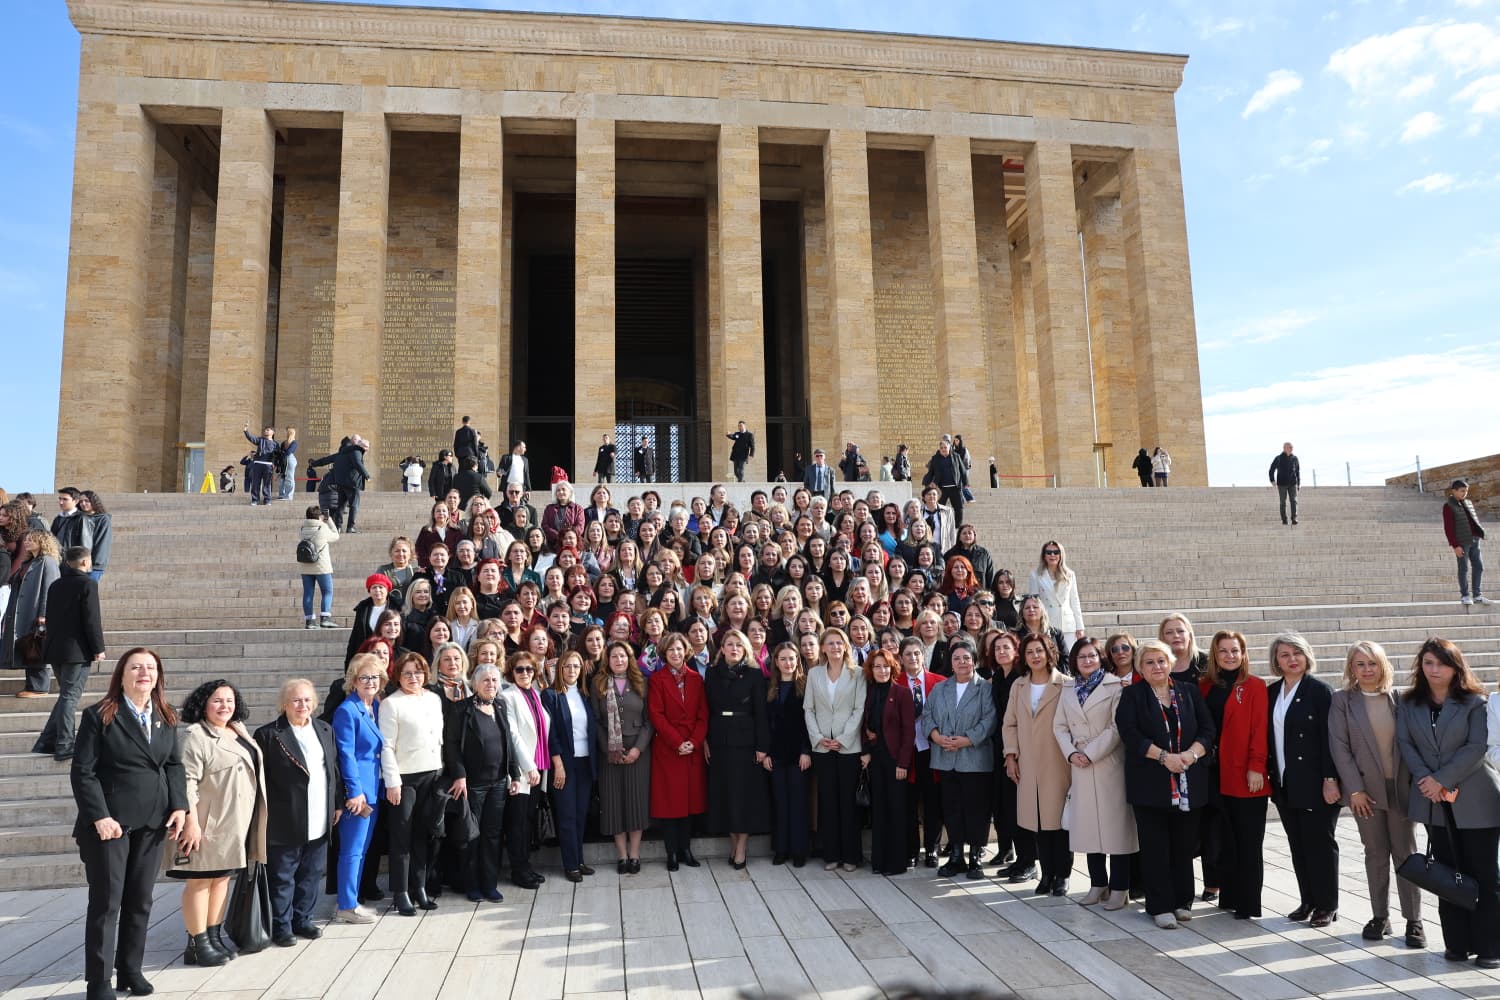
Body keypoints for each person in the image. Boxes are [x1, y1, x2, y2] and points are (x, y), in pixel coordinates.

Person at [71, 648, 188, 1000]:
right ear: (121, 675)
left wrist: (179, 806)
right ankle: (99, 981)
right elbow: (83, 772)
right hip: (110, 825)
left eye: (151, 667)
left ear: (158, 676)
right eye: (136, 667)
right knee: (107, 903)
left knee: (140, 900)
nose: (144, 673)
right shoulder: (100, 715)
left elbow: (173, 765)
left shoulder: (166, 715)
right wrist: (99, 816)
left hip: (153, 822)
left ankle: (130, 971)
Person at [1396, 638, 1500, 968]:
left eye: (1442, 663)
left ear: (1456, 667)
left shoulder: (1474, 702)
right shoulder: (1408, 703)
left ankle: (1490, 947)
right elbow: (1406, 744)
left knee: (1483, 875)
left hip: (1476, 799)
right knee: (1446, 873)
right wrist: (1428, 780)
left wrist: (1442, 779)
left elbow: (1477, 746)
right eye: (1428, 662)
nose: (1434, 669)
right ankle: (1457, 944)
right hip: (1432, 800)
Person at [1329, 641, 1424, 948]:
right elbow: (1340, 748)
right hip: (1365, 792)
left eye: (1372, 663)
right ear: (1351, 668)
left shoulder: (1401, 699)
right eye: (1360, 664)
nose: (1367, 669)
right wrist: (1354, 790)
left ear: (1383, 665)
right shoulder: (1342, 701)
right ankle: (1380, 916)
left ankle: (1414, 920)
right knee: (1375, 853)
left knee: (1406, 854)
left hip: (1400, 789)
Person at [1115, 639, 1215, 929]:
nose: (1156, 666)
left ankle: (1183, 901)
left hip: (1188, 780)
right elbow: (1130, 734)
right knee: (1155, 847)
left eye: (1161, 660)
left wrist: (1190, 755)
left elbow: (1208, 729)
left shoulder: (1188, 691)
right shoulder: (1132, 695)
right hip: (1150, 784)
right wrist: (1163, 757)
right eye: (1149, 662)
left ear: (1170, 663)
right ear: (1140, 668)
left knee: (1183, 846)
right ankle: (1159, 906)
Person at [169, 679, 267, 966]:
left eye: (229, 700)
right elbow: (186, 781)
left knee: (221, 879)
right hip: (205, 822)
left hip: (234, 822)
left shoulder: (237, 729)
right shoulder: (195, 735)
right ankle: (197, 943)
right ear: (203, 704)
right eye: (217, 700)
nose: (225, 706)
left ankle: (213, 936)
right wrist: (190, 822)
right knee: (200, 881)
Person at [254, 678, 339, 948]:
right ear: (284, 704)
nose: (302, 705)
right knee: (282, 877)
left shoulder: (324, 729)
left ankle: (303, 919)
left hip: (319, 815)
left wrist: (337, 804)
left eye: (307, 700)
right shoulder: (268, 735)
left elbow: (332, 770)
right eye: (296, 700)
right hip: (285, 818)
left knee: (311, 873)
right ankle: (282, 925)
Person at [1052, 637, 1135, 908]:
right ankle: (1098, 883)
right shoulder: (1068, 688)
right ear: (1074, 661)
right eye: (1082, 656)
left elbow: (1116, 726)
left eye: (1092, 655)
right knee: (1088, 828)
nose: (1087, 660)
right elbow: (1059, 726)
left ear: (1101, 658)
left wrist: (1091, 753)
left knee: (1116, 829)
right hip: (1079, 765)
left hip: (1108, 761)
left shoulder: (1115, 685)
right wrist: (1071, 753)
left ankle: (1120, 887)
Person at [1266, 633, 1341, 928]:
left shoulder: (1320, 691)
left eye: (1297, 653)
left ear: (1307, 655)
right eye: (1285, 655)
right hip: (1285, 781)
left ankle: (1327, 904)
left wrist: (1330, 778)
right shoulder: (1272, 692)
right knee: (1298, 844)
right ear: (1276, 661)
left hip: (1316, 782)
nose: (1292, 659)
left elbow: (1330, 739)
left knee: (1319, 844)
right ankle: (1308, 900)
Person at [1201, 630, 1270, 921]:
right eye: (1223, 651)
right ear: (1214, 655)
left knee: (1248, 841)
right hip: (1214, 774)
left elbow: (1259, 729)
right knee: (1224, 839)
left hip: (1246, 774)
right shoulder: (1205, 686)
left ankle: (1248, 903)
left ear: (1243, 654)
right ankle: (1228, 896)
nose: (1229, 656)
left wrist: (1257, 766)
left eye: (1235, 650)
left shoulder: (1255, 685)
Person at [443, 662, 521, 902]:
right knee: (472, 835)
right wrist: (459, 775)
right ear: (475, 684)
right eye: (486, 680)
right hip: (473, 784)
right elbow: (452, 746)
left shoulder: (500, 705)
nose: (491, 684)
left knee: (492, 835)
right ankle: (472, 885)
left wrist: (515, 774)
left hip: (498, 782)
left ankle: (490, 884)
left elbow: (508, 741)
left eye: (495, 680)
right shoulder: (461, 709)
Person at [378, 652, 445, 915]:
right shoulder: (391, 704)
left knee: (422, 835)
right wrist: (392, 781)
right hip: (404, 779)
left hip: (430, 774)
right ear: (398, 676)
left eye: (418, 672)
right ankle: (401, 891)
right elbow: (386, 745)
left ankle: (420, 887)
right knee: (401, 837)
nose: (413, 677)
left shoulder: (433, 698)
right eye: (407, 673)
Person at [1002, 634, 1068, 893]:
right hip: (1028, 763)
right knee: (1038, 822)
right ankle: (1047, 874)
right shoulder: (1018, 686)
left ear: (1048, 652)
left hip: (1057, 762)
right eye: (1029, 652)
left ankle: (1062, 874)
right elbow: (1010, 724)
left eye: (1039, 650)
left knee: (1058, 822)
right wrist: (1010, 755)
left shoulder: (1065, 684)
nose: (1035, 656)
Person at [924, 637, 994, 879]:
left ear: (974, 661)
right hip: (945, 757)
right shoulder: (940, 688)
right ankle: (956, 856)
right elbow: (927, 715)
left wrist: (967, 739)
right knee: (951, 808)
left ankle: (975, 856)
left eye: (966, 658)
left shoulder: (984, 688)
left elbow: (990, 720)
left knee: (976, 808)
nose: (962, 662)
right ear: (951, 663)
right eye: (957, 658)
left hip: (975, 758)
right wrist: (936, 736)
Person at [705, 629, 771, 869]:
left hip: (746, 742)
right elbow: (706, 708)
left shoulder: (754, 674)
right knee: (725, 795)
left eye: (739, 645)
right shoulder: (712, 673)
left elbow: (761, 713)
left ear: (745, 649)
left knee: (744, 796)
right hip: (719, 741)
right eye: (730, 644)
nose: (734, 649)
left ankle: (741, 847)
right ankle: (733, 842)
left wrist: (762, 746)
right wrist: (704, 740)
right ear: (722, 648)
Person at [804, 627, 866, 871]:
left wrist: (843, 738)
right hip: (822, 747)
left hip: (848, 747)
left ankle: (850, 856)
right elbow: (808, 709)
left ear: (845, 646)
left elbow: (859, 709)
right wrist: (818, 738)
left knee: (847, 802)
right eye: (830, 643)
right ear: (823, 647)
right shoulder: (814, 674)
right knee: (827, 801)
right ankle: (831, 855)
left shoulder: (857, 673)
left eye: (839, 642)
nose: (835, 647)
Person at [35, 546, 105, 760]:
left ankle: (47, 741)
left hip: (55, 648)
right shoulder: (88, 584)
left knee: (66, 695)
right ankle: (64, 744)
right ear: (85, 562)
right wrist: (98, 648)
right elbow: (91, 620)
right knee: (70, 696)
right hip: (77, 652)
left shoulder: (56, 585)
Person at [331, 653, 385, 924]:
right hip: (359, 792)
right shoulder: (347, 710)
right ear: (353, 681)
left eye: (374, 677)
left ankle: (350, 899)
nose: (370, 682)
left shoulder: (374, 705)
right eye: (364, 678)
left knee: (361, 849)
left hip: (374, 787)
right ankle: (346, 906)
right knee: (352, 850)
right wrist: (354, 791)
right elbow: (346, 754)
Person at [648, 632, 708, 870]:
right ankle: (671, 852)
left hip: (691, 749)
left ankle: (686, 849)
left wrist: (694, 741)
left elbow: (703, 714)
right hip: (668, 749)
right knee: (670, 803)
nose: (675, 653)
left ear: (686, 651)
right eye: (671, 649)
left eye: (679, 649)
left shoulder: (696, 678)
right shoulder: (657, 679)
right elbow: (656, 715)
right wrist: (677, 742)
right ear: (664, 653)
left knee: (689, 803)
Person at [592, 640, 653, 873]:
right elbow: (596, 721)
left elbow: (649, 721)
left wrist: (638, 749)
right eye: (614, 656)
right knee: (614, 801)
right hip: (609, 751)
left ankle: (635, 854)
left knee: (636, 800)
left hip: (638, 749)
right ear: (607, 660)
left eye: (623, 656)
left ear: (630, 659)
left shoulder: (641, 682)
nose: (619, 660)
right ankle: (622, 855)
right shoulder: (598, 684)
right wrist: (609, 749)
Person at [542, 650, 598, 882]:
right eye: (567, 666)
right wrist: (558, 764)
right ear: (560, 669)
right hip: (564, 764)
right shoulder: (551, 695)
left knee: (580, 813)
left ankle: (579, 860)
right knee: (566, 815)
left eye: (576, 666)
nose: (572, 670)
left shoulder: (585, 694)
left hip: (586, 762)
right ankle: (570, 864)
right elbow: (551, 733)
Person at [861, 648, 914, 876]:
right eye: (877, 666)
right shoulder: (869, 692)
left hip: (895, 760)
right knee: (879, 809)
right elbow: (864, 724)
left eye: (885, 666)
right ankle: (879, 861)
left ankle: (896, 863)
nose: (881, 670)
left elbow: (909, 732)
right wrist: (866, 749)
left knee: (896, 810)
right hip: (875, 759)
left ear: (892, 668)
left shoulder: (902, 693)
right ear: (871, 670)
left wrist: (903, 763)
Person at [499, 651, 548, 889]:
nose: (525, 673)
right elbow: (513, 734)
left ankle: (526, 866)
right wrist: (529, 767)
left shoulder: (535, 694)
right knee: (517, 823)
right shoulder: (508, 696)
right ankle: (519, 871)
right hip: (521, 770)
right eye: (520, 669)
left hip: (538, 767)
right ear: (512, 672)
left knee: (528, 820)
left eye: (529, 669)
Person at [766, 642, 811, 866]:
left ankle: (799, 850)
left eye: (792, 658)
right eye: (783, 659)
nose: (788, 663)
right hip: (775, 754)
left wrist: (806, 751)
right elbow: (765, 723)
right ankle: (781, 849)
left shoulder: (806, 685)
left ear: (797, 661)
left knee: (798, 802)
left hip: (798, 754)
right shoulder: (769, 687)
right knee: (780, 802)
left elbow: (809, 722)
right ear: (776, 662)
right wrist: (766, 753)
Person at [5, 528, 61, 695]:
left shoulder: (47, 562)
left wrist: (44, 614)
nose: (27, 541)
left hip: (37, 612)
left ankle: (39, 687)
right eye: (26, 539)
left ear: (42, 542)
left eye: (31, 539)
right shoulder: (29, 561)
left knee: (38, 646)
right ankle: (32, 685)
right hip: (24, 611)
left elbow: (51, 589)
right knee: (29, 647)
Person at [1027, 540, 1084, 656]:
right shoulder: (1035, 575)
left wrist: (1080, 627)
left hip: (1068, 623)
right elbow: (1034, 602)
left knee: (1069, 656)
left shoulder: (1070, 574)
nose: (1052, 555)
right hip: (1048, 623)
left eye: (1056, 552)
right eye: (1048, 552)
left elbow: (1074, 601)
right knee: (1051, 656)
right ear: (1044, 556)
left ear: (1061, 554)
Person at [307, 435, 372, 533]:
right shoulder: (356, 451)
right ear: (359, 444)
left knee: (341, 506)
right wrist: (367, 475)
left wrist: (313, 463)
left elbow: (325, 460)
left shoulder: (341, 453)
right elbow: (357, 463)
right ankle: (350, 527)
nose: (367, 449)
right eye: (366, 447)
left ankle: (338, 527)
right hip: (352, 484)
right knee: (354, 505)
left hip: (341, 483)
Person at [1443, 479, 1490, 606]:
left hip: (1475, 540)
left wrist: (1480, 532)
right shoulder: (1448, 506)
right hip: (1462, 541)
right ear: (1454, 491)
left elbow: (1474, 520)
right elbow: (1448, 528)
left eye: (1466, 491)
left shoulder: (1468, 503)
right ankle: (1465, 595)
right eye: (1462, 491)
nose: (1465, 493)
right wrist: (1455, 545)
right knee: (1463, 568)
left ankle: (1477, 595)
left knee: (1479, 567)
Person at [296, 506, 339, 630]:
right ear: (319, 516)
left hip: (305, 566)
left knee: (308, 593)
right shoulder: (322, 527)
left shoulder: (302, 529)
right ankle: (325, 618)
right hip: (321, 566)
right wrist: (329, 520)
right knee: (327, 592)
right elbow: (336, 536)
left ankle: (309, 621)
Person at [922, 437, 968, 525]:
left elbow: (962, 470)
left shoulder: (956, 456)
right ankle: (941, 524)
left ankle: (957, 526)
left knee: (958, 507)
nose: (943, 449)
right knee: (939, 508)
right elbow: (931, 471)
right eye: (941, 448)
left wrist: (965, 482)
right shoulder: (935, 458)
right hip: (941, 488)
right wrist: (928, 482)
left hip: (955, 488)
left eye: (945, 447)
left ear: (949, 447)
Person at [77, 491, 112, 579]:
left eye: (86, 501)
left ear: (94, 501)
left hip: (93, 565)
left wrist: (94, 563)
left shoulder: (103, 519)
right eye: (81, 501)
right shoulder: (78, 518)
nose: (83, 504)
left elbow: (102, 542)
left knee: (88, 587)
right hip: (77, 563)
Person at [242, 423, 278, 505]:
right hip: (258, 464)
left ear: (273, 432)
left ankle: (267, 500)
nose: (266, 431)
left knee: (267, 484)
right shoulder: (260, 440)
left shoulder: (275, 444)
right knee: (255, 483)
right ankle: (255, 500)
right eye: (265, 430)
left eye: (268, 430)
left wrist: (275, 464)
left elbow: (277, 456)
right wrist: (246, 431)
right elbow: (252, 438)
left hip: (268, 465)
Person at [1269, 442, 1300, 526]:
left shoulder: (1295, 458)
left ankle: (1294, 518)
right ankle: (1284, 519)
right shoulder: (1278, 458)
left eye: (1292, 447)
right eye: (1290, 447)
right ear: (1285, 448)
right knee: (1283, 502)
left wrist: (1298, 484)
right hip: (1282, 484)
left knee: (1294, 501)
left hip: (1293, 483)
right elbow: (1271, 469)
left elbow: (1297, 471)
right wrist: (1272, 480)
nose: (1292, 448)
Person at [278, 428, 300, 501]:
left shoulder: (294, 442)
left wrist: (282, 454)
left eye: (288, 432)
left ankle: (288, 496)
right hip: (283, 459)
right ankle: (282, 495)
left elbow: (289, 452)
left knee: (289, 478)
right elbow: (280, 451)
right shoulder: (284, 442)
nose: (287, 433)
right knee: (282, 477)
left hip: (289, 459)